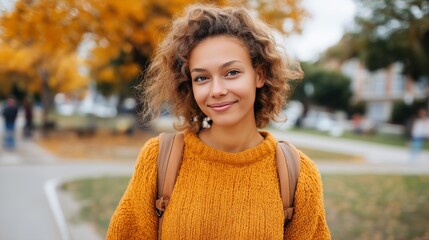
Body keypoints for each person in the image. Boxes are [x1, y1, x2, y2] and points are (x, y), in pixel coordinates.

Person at [107, 4, 330, 239]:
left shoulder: (298, 175)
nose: (216, 90)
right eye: (201, 78)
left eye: (231, 72)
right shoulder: (157, 160)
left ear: (260, 75)